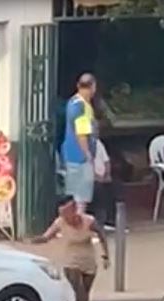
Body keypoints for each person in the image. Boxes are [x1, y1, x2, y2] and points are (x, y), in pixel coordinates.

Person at [31, 195, 110, 301]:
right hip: (70, 262)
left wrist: (106, 255)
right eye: (62, 214)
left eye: (67, 213)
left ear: (74, 209)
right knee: (80, 292)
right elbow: (47, 236)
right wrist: (35, 240)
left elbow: (101, 234)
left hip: (88, 262)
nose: (65, 217)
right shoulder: (60, 223)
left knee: (84, 296)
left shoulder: (88, 221)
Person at [61, 73, 99, 214]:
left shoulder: (76, 103)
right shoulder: (80, 106)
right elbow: (81, 133)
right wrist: (87, 153)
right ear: (93, 87)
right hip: (79, 156)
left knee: (78, 193)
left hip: (73, 154)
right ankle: (78, 224)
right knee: (81, 195)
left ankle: (76, 223)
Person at [91, 138, 116, 231]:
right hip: (90, 178)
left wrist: (108, 175)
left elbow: (107, 161)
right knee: (99, 189)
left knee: (117, 187)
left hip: (103, 177)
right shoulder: (83, 144)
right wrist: (96, 177)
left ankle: (111, 222)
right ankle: (99, 223)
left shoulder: (98, 143)